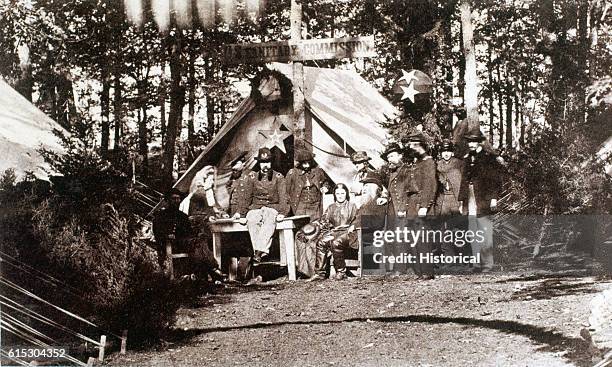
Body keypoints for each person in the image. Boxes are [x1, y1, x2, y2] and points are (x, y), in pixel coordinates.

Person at [458, 130, 504, 272]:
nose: (471, 144)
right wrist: (461, 201)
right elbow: (463, 181)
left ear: (479, 142)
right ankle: (476, 263)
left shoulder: (488, 158)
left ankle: (487, 264)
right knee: (472, 231)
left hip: (483, 198)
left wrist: (494, 198)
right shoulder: (466, 159)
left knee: (485, 230)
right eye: (469, 141)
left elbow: (495, 181)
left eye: (474, 141)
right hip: (469, 198)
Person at [236, 147, 290, 263]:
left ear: (271, 163)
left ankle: (258, 252)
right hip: (256, 207)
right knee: (251, 218)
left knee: (270, 216)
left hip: (272, 207)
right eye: (262, 163)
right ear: (259, 164)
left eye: (267, 162)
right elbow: (247, 197)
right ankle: (260, 251)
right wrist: (242, 215)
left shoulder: (278, 177)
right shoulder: (252, 177)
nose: (265, 166)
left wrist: (282, 213)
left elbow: (283, 197)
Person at [309, 183, 359, 281]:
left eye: (342, 193)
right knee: (321, 242)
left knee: (336, 242)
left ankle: (341, 272)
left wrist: (353, 225)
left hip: (348, 233)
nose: (340, 196)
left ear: (346, 194)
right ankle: (320, 273)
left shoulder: (352, 206)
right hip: (335, 232)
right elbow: (324, 221)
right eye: (338, 193)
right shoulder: (331, 207)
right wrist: (321, 227)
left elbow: (357, 218)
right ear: (334, 194)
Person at [405, 132, 437, 280]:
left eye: (413, 144)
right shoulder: (415, 163)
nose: (410, 147)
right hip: (411, 203)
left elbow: (430, 186)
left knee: (423, 239)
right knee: (413, 239)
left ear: (421, 145)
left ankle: (427, 271)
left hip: (420, 203)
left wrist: (425, 205)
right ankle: (419, 270)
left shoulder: (428, 162)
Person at [187, 166, 227, 282]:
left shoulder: (211, 193)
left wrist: (223, 213)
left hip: (211, 228)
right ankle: (214, 269)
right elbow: (193, 214)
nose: (213, 182)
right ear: (203, 181)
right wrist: (208, 216)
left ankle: (215, 270)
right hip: (200, 229)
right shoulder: (197, 195)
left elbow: (217, 207)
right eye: (210, 180)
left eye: (213, 180)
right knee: (203, 242)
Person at [285, 150, 329, 220]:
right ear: (300, 163)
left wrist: (325, 187)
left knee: (314, 225)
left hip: (315, 204)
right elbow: (286, 191)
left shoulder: (317, 171)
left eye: (309, 163)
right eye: (305, 163)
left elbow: (325, 181)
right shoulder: (293, 173)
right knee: (300, 225)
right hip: (300, 205)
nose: (307, 165)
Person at [435, 140, 463, 216]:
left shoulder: (459, 164)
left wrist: (462, 202)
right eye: (444, 151)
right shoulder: (437, 165)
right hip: (443, 199)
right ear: (441, 153)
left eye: (448, 151)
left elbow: (464, 184)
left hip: (456, 198)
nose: (446, 154)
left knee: (459, 224)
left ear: (452, 152)